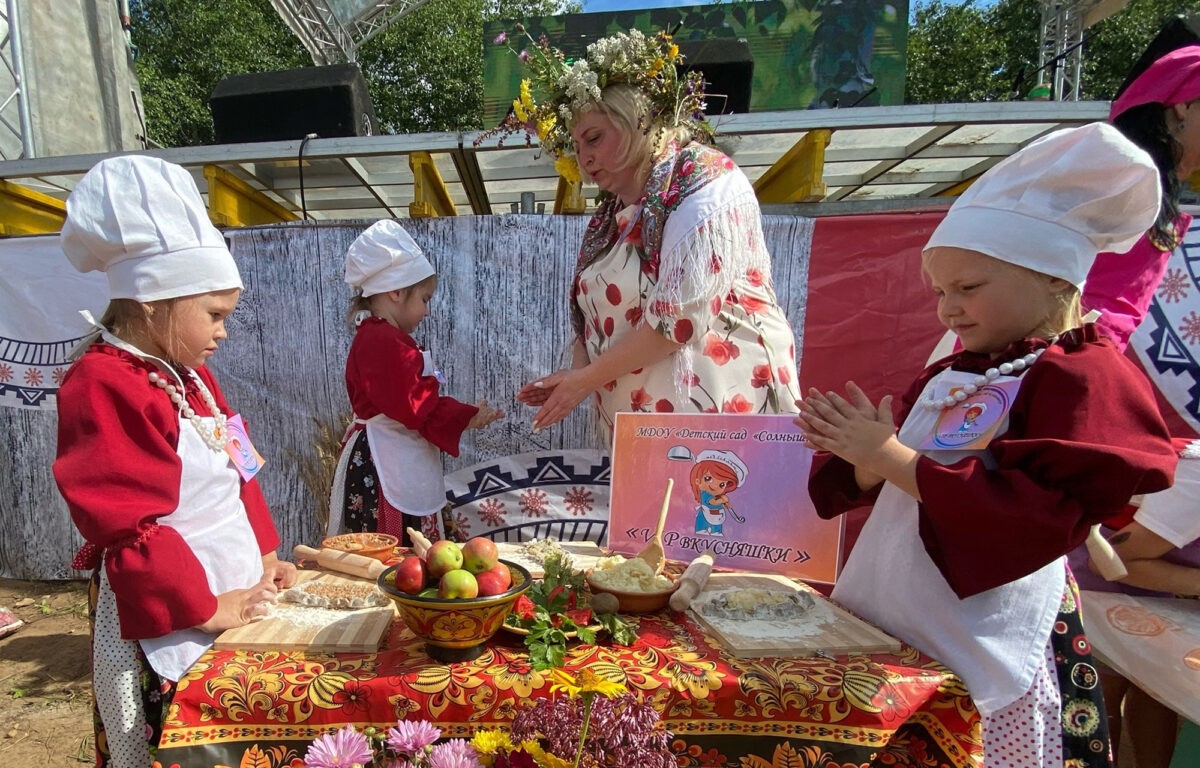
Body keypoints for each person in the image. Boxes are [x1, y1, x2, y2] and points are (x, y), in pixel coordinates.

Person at [797, 123, 1177, 767]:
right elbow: (899, 474)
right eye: (941, 292)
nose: (948, 309)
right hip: (902, 613)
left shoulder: (1081, 374)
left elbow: (1033, 516)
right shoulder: (957, 371)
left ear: (1056, 280)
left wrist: (889, 456)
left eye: (969, 288)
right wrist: (863, 461)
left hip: (990, 630)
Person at [53, 155, 297, 768]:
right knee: (195, 746)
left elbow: (238, 471)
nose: (222, 332)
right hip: (170, 608)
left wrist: (265, 560)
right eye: (214, 315)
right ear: (157, 302)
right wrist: (210, 608)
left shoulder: (193, 380)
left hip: (231, 588)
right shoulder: (105, 385)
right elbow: (130, 522)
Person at [510, 29, 800, 440]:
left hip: (720, 426)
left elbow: (678, 320)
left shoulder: (707, 181)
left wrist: (585, 380)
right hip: (648, 433)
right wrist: (572, 380)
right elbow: (592, 325)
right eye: (576, 145)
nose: (584, 157)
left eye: (594, 137)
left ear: (637, 120)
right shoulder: (611, 218)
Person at [330, 220, 502, 542]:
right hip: (383, 464)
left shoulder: (384, 337)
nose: (427, 312)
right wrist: (466, 416)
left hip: (396, 453)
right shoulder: (380, 340)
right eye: (424, 299)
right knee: (393, 552)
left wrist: (463, 416)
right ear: (396, 292)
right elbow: (416, 404)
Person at [1083, 44, 1200, 351]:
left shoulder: (1146, 180)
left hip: (1083, 359)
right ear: (1184, 106)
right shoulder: (1117, 172)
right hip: (1048, 362)